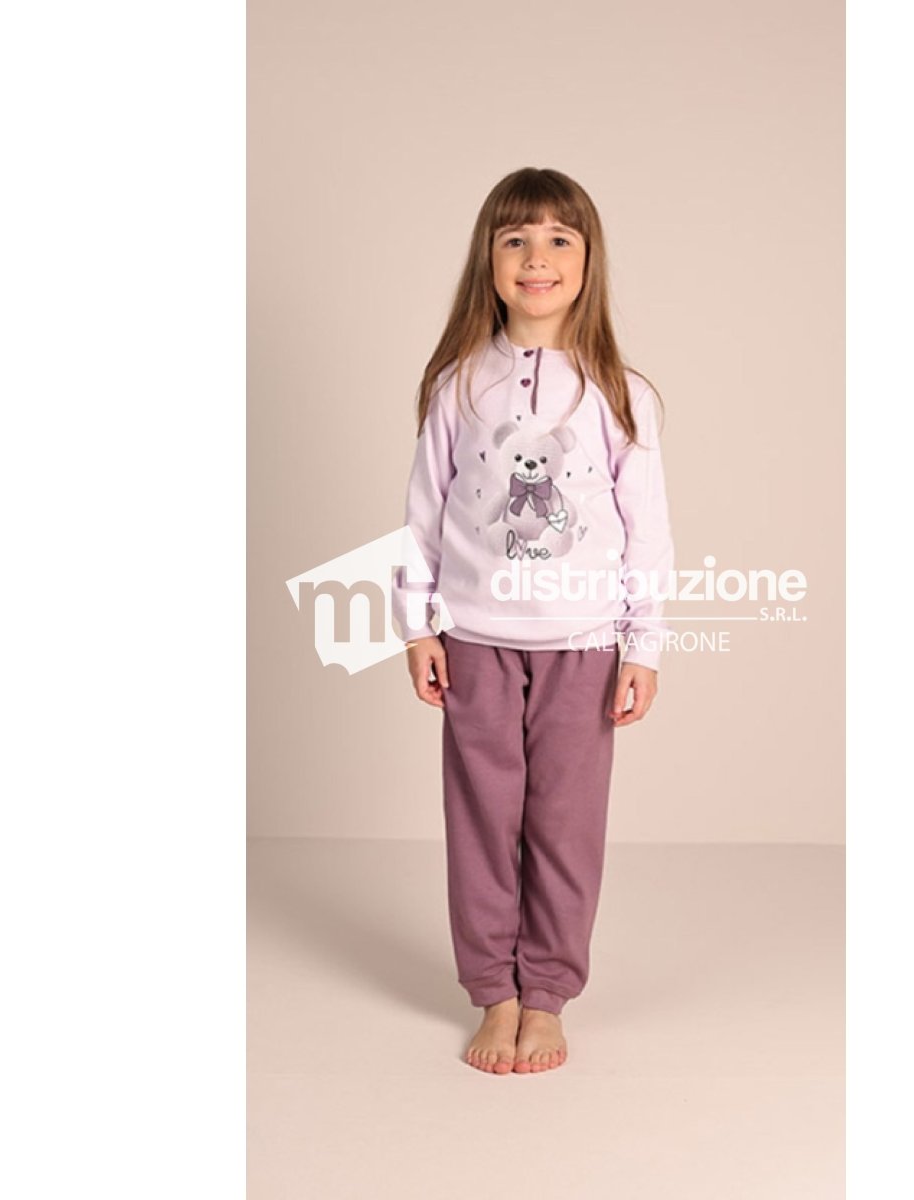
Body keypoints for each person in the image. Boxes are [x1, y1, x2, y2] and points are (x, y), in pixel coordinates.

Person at [391, 167, 675, 1075]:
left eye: (558, 239)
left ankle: (545, 994)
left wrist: (643, 645)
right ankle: (495, 993)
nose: (536, 257)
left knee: (565, 825)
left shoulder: (619, 393)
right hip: (474, 639)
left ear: (588, 261)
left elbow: (647, 530)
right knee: (481, 820)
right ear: (489, 258)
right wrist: (417, 626)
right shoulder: (457, 386)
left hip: (583, 647)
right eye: (515, 239)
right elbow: (423, 514)